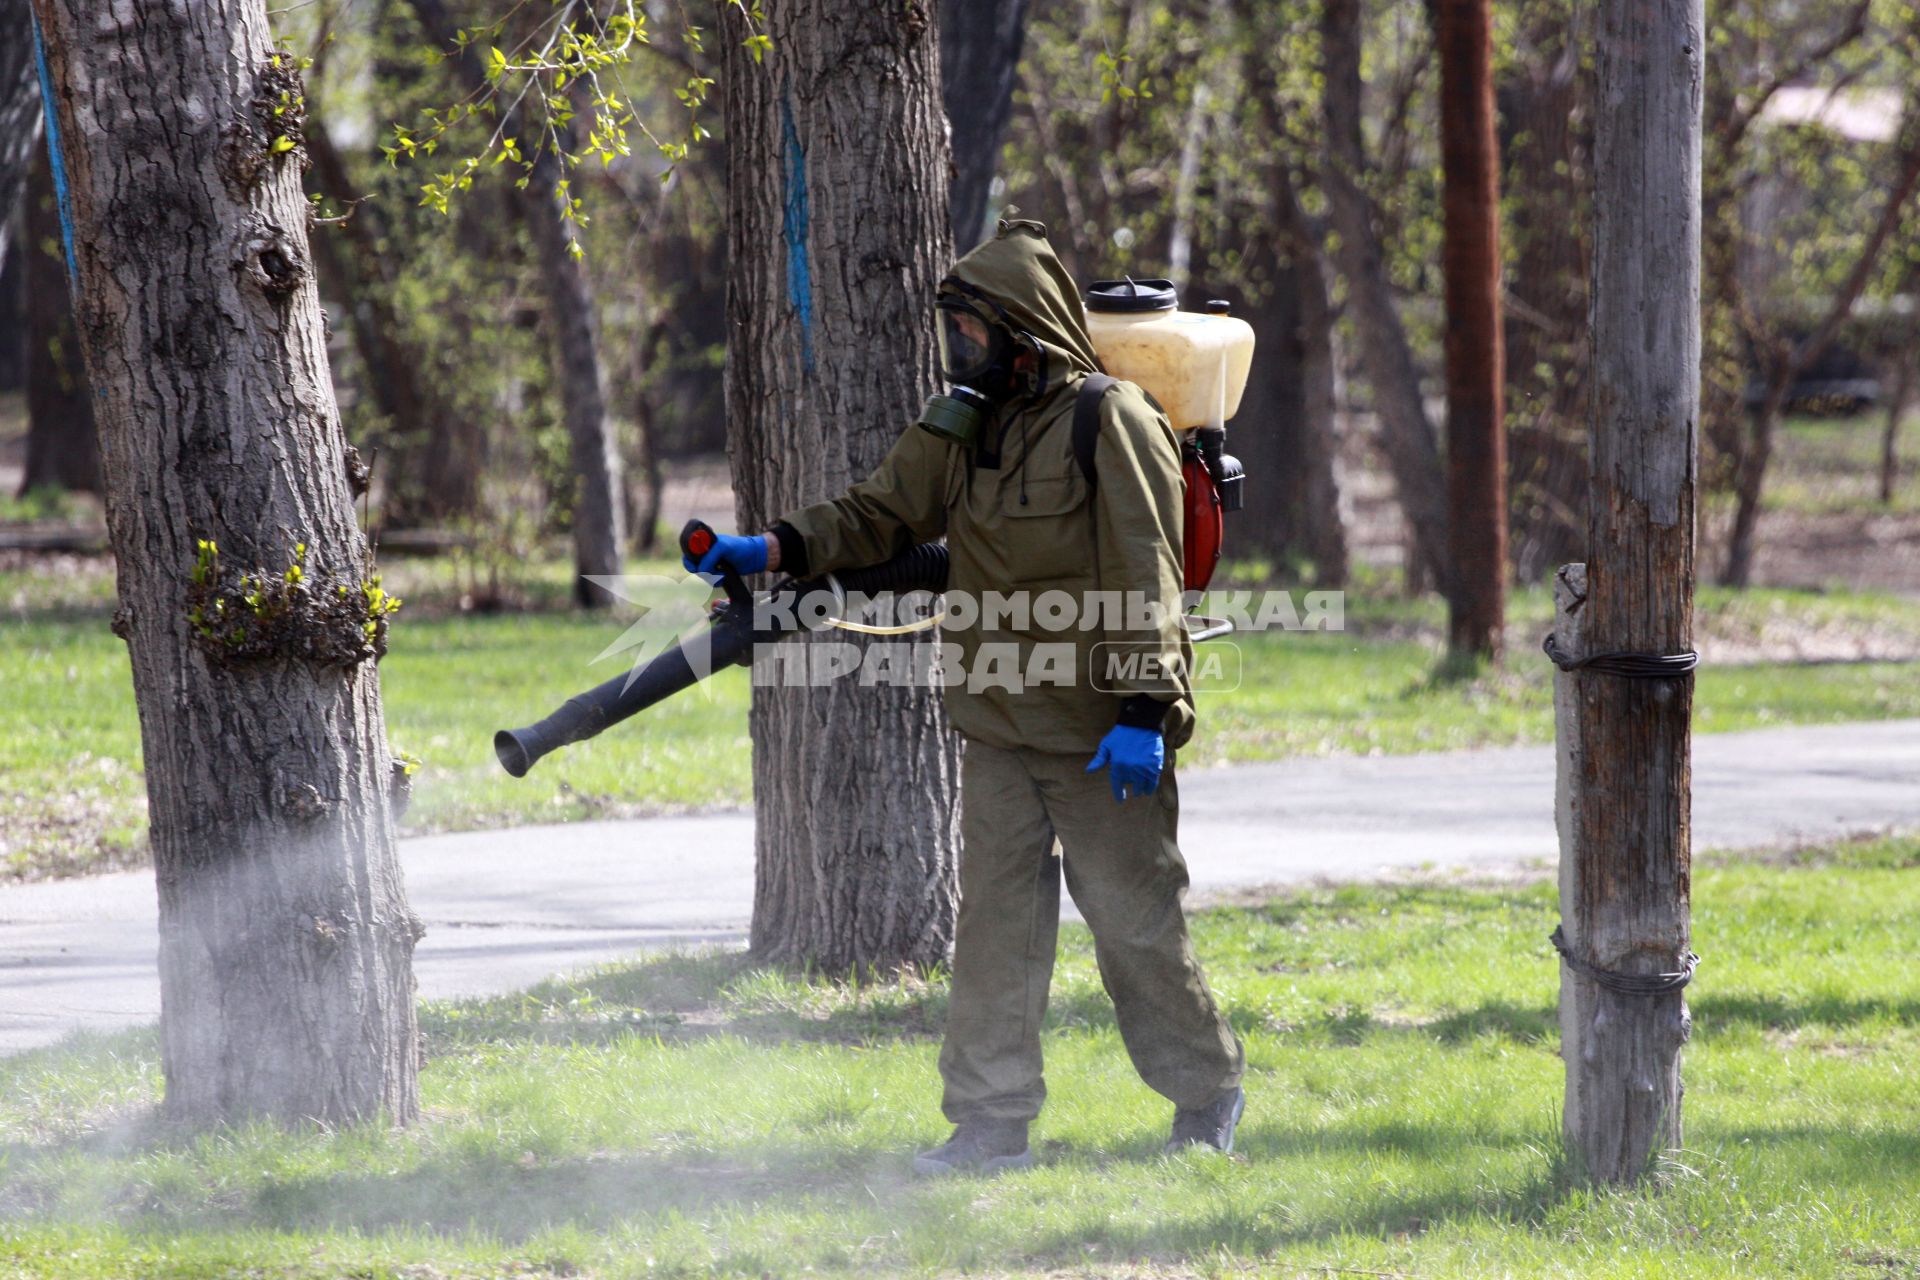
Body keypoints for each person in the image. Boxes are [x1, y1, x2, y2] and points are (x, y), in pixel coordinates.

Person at [684, 220, 1244, 1175]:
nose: (962, 351)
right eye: (956, 333)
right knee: (995, 935)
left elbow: (1148, 571)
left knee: (1134, 926)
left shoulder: (1109, 419)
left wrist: (1147, 711)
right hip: (996, 726)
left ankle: (1206, 1095)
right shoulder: (964, 425)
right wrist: (770, 548)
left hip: (1101, 731)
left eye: (976, 333)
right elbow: (876, 514)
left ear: (1023, 330)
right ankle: (990, 1125)